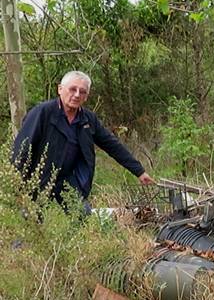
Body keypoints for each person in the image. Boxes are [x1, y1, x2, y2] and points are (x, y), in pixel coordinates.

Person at [12, 71, 154, 212]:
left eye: (82, 92)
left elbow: (112, 145)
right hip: (39, 178)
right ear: (60, 89)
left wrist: (139, 171)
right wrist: (16, 184)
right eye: (72, 89)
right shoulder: (42, 113)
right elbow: (22, 148)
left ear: (86, 97)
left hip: (67, 180)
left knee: (82, 215)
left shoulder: (87, 119)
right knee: (32, 221)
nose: (77, 95)